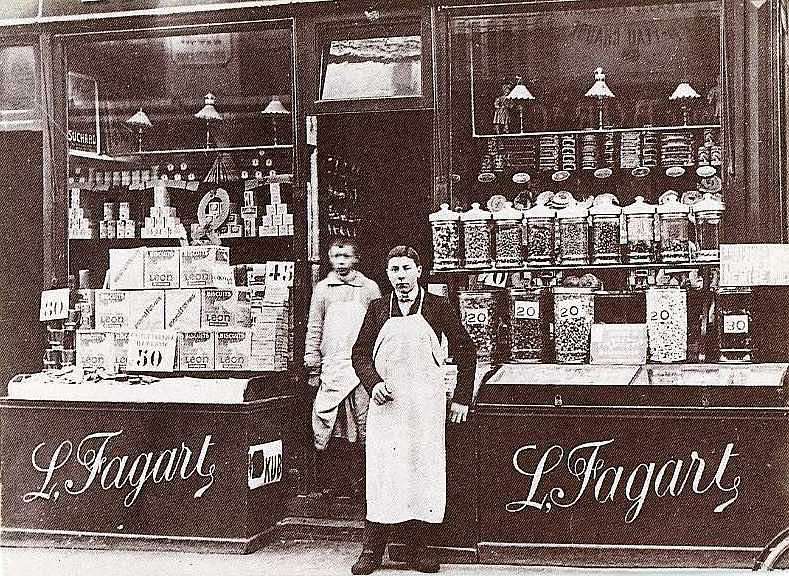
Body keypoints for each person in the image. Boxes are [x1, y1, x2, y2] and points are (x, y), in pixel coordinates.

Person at [350, 246, 477, 575]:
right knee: (382, 473)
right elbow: (360, 353)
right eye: (394, 270)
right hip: (387, 405)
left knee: (423, 472)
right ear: (388, 274)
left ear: (419, 271)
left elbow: (465, 349)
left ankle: (420, 547)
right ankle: (372, 548)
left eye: (406, 268)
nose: (401, 276)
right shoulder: (378, 309)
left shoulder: (437, 306)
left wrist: (462, 398)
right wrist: (373, 383)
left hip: (425, 405)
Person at [304, 239, 381, 488]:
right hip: (333, 365)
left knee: (363, 423)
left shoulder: (369, 289)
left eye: (346, 257)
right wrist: (313, 366)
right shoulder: (323, 289)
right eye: (336, 257)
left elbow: (380, 330)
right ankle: (334, 484)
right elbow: (314, 328)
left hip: (361, 367)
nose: (341, 262)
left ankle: (365, 483)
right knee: (328, 421)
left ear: (356, 259)